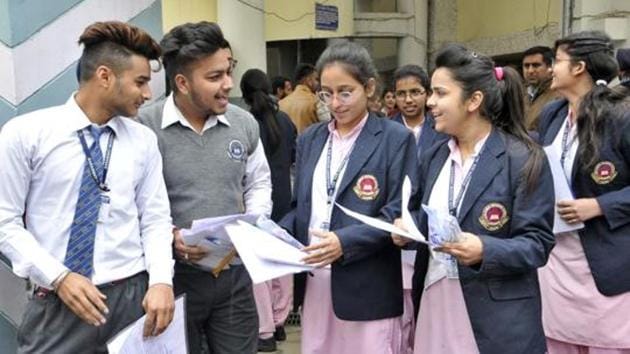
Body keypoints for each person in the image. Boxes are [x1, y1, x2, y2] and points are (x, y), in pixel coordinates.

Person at [0, 21, 175, 353]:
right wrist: (59, 277)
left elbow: (154, 219)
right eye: (140, 82)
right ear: (105, 76)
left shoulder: (143, 140)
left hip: (133, 299)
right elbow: (4, 223)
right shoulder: (25, 134)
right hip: (58, 302)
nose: (148, 94)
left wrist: (162, 282)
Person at [394, 44, 555, 354]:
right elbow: (429, 220)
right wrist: (408, 231)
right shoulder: (434, 156)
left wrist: (485, 249)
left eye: (440, 94)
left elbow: (537, 244)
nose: (430, 102)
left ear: (474, 100)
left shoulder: (522, 159)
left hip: (494, 316)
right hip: (436, 300)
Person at [138, 22, 272, 354]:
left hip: (233, 278)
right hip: (174, 281)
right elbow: (130, 204)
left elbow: (258, 182)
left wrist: (252, 224)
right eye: (214, 77)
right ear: (181, 82)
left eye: (228, 71)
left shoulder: (243, 124)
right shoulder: (144, 128)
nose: (228, 84)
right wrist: (171, 238)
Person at [279, 40, 417, 354]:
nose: (335, 103)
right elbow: (302, 207)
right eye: (326, 93)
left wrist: (345, 241)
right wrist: (275, 234)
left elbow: (399, 211)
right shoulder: (312, 138)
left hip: (368, 285)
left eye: (345, 91)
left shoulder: (394, 139)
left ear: (369, 88)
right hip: (316, 284)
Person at [537, 31, 630, 354]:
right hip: (557, 260)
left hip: (606, 259)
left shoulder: (621, 116)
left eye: (557, 61)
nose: (551, 69)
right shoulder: (552, 114)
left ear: (578, 68)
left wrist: (600, 205)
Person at [241, 68, 297, 352]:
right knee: (280, 266)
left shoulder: (246, 124)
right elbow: (293, 159)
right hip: (285, 200)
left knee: (259, 271)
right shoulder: (285, 121)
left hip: (256, 204)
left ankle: (264, 331)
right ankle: (279, 323)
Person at [392, 64, 447, 160]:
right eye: (401, 94)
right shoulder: (386, 130)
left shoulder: (442, 128)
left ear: (427, 94)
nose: (408, 100)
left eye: (415, 92)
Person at [522, 46, 559, 130]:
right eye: (526, 66)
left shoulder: (559, 95)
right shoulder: (518, 94)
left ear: (550, 67)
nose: (530, 71)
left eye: (536, 65)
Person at [279, 63, 321, 133]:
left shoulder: (281, 103)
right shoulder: (317, 101)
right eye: (316, 79)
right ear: (309, 80)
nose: (319, 83)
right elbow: (328, 127)